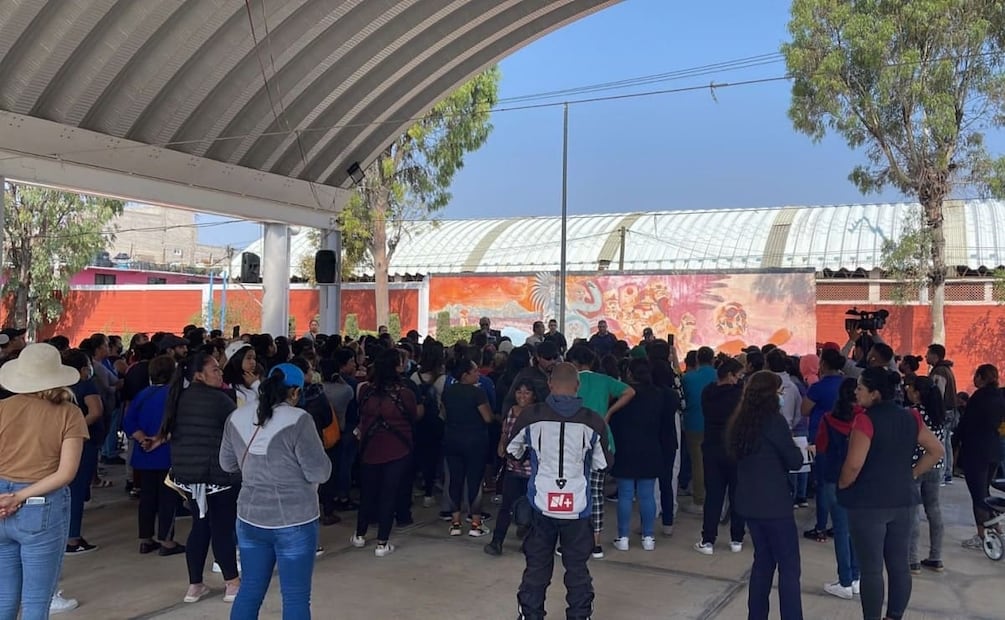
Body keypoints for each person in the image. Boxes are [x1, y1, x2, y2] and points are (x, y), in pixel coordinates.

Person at [221, 363, 331, 619]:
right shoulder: (300, 420)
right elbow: (319, 472)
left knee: (249, 590)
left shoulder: (236, 417)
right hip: (295, 521)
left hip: (250, 518)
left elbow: (226, 464)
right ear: (295, 392)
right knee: (295, 596)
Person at [507, 362, 612, 620]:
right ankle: (580, 615)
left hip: (541, 505)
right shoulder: (593, 420)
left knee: (537, 567)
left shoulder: (530, 416)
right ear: (578, 386)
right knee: (577, 569)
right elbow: (603, 464)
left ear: (550, 384)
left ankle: (530, 614)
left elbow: (512, 451)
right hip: (577, 508)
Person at [838, 367, 943, 620]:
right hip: (903, 500)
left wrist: (842, 485)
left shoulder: (865, 420)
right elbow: (936, 450)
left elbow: (854, 465)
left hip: (868, 503)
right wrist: (912, 474)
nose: (856, 392)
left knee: (872, 570)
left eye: (860, 388)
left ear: (874, 393)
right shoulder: (911, 416)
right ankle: (894, 616)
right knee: (899, 566)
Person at [0, 343, 88, 619]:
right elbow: (66, 473)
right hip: (41, 505)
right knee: (37, 601)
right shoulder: (69, 414)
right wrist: (20, 497)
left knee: (4, 597)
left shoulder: (3, 408)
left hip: (1, 502)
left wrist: (8, 496)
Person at [161, 352, 241, 604]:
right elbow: (239, 432)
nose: (220, 373)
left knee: (200, 525)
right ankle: (232, 584)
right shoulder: (220, 400)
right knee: (222, 528)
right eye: (215, 369)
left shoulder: (178, 397)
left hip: (189, 477)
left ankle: (195, 586)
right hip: (218, 475)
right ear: (199, 375)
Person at [729, 370, 805, 620]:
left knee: (762, 562)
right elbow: (794, 460)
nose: (782, 396)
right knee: (789, 567)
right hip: (775, 505)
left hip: (749, 503)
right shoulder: (774, 422)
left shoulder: (740, 421)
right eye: (780, 391)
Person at [350, 348, 419, 557]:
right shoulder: (405, 394)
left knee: (368, 492)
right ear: (396, 367)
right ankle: (382, 542)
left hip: (370, 447)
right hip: (397, 448)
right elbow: (413, 416)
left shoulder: (365, 390)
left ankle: (360, 534)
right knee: (389, 494)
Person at [608, 358, 674, 552]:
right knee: (647, 495)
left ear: (629, 373)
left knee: (625, 495)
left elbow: (614, 422)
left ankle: (623, 537)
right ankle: (648, 537)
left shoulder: (623, 395)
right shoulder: (659, 395)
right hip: (651, 449)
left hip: (625, 449)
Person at [122, 355, 183, 556]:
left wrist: (143, 439)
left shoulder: (142, 394)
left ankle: (145, 539)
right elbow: (179, 424)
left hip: (144, 453)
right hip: (167, 453)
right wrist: (159, 439)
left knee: (147, 498)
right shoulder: (175, 395)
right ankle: (167, 540)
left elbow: (129, 422)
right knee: (168, 498)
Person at [814, 378, 861, 600]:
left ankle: (844, 580)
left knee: (841, 530)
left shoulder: (828, 419)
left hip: (834, 477)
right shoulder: (864, 418)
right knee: (856, 530)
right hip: (859, 478)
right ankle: (856, 577)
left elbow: (821, 448)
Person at [695, 358, 745, 555]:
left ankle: (708, 539)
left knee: (713, 496)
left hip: (712, 447)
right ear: (730, 375)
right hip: (735, 449)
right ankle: (737, 538)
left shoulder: (708, 392)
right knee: (737, 494)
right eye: (738, 375)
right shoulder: (739, 395)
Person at [484, 379, 537, 556]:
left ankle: (528, 541)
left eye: (527, 392)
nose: (522, 396)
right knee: (506, 505)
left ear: (534, 396)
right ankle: (497, 541)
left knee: (532, 507)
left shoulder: (538, 413)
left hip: (532, 471)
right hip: (513, 468)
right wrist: (501, 445)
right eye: (519, 392)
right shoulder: (512, 411)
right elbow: (505, 432)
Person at [442, 357, 494, 538]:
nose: (478, 374)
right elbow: (487, 417)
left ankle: (455, 523)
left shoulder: (448, 392)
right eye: (474, 371)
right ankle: (475, 523)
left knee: (455, 480)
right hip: (475, 440)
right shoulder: (477, 393)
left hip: (452, 439)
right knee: (474, 481)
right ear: (465, 375)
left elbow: (443, 413)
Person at [956, 364, 1005, 551]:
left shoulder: (978, 397)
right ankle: (996, 528)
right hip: (993, 449)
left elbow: (965, 424)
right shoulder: (1000, 396)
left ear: (981, 377)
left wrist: (955, 442)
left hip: (976, 451)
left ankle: (982, 535)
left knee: (978, 495)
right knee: (984, 491)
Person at [59, 349, 103, 555]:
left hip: (60, 442)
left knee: (66, 488)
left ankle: (66, 533)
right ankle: (72, 538)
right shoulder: (85, 385)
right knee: (76, 489)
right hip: (83, 443)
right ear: (83, 368)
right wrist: (76, 430)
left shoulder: (58, 386)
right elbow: (96, 411)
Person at [902, 375, 946, 573]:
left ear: (918, 393)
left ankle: (912, 560)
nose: (907, 390)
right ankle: (936, 556)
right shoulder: (939, 414)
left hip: (915, 465)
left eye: (910, 388)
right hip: (935, 466)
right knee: (934, 510)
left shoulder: (913, 414)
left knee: (913, 513)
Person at [926, 344, 958, 485]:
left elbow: (938, 393)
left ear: (935, 355)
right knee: (947, 441)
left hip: (942, 411)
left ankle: (941, 474)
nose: (926, 356)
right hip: (951, 410)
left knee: (940, 441)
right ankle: (948, 473)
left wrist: (935, 410)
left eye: (928, 354)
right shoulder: (947, 370)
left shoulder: (939, 372)